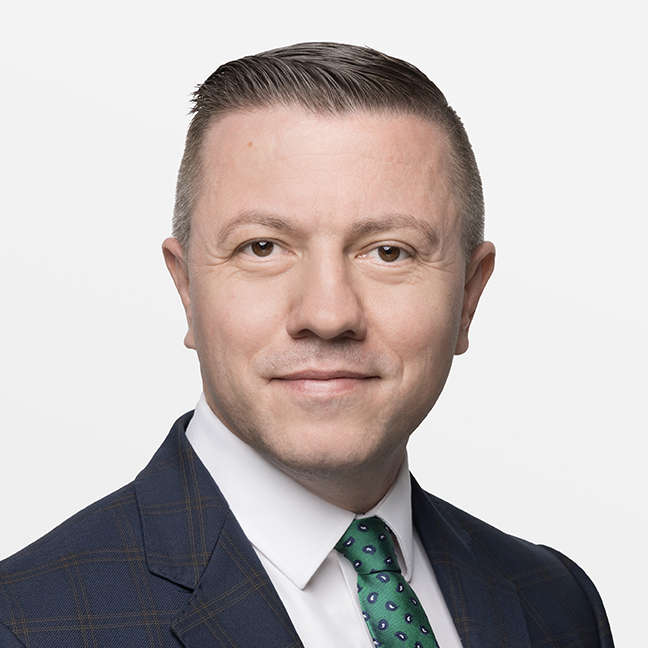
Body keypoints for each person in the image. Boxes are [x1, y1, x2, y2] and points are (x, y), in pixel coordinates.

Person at [0, 42, 613, 648]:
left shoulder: (557, 602)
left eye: (389, 252)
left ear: (469, 297)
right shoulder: (24, 625)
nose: (327, 315)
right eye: (262, 247)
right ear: (187, 289)